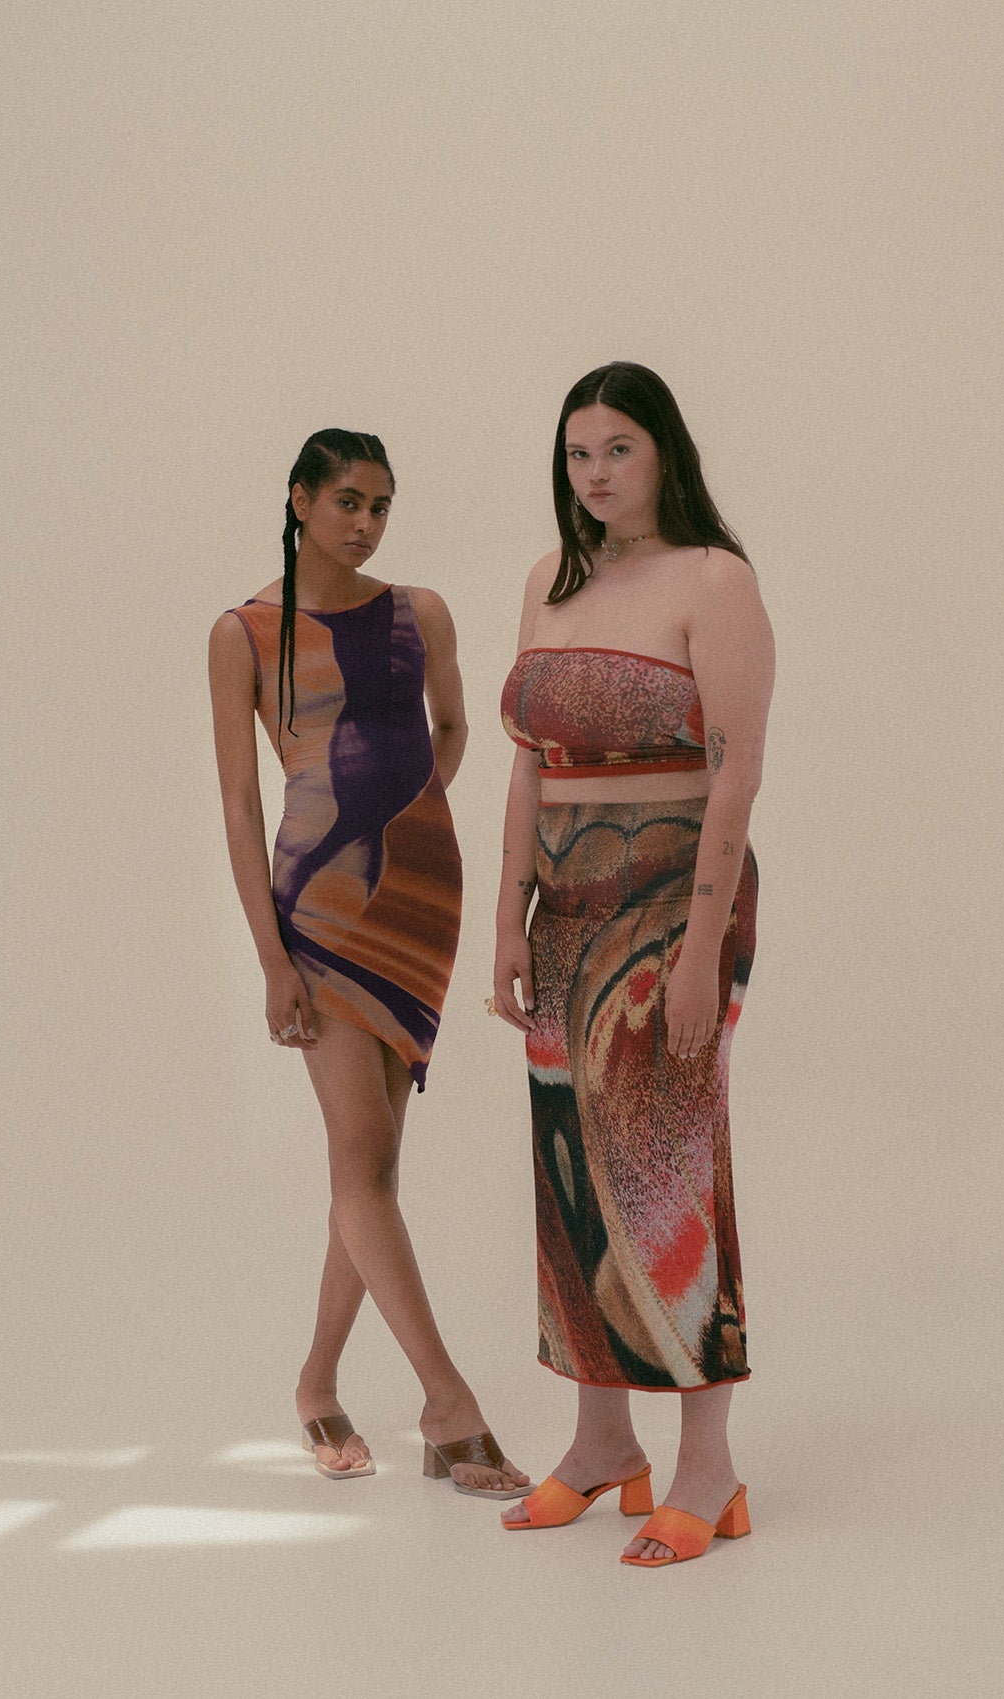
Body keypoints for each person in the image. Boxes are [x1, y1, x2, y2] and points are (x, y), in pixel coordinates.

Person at [209, 429, 528, 1497]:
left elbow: (454, 726)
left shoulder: (420, 612)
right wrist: (271, 957)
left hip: (422, 898)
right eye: (348, 500)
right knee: (367, 1163)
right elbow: (241, 804)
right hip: (321, 907)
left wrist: (407, 811)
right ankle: (448, 1405)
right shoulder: (243, 633)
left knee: (371, 1168)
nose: (367, 522)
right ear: (300, 499)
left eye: (382, 504)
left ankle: (316, 1382)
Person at [493, 365, 774, 1564]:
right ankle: (603, 1439)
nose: (596, 473)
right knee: (571, 1171)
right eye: (578, 453)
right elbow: (527, 761)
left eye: (618, 448)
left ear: (664, 452)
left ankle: (710, 1466)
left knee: (672, 1168)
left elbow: (736, 770)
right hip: (564, 905)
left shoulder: (715, 580)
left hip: (674, 900)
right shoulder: (549, 582)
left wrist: (704, 946)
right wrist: (507, 915)